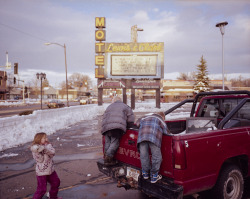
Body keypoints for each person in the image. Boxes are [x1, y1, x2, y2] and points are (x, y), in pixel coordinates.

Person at [101, 96, 135, 166]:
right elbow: (130, 119)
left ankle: (106, 159)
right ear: (121, 100)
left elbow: (104, 117)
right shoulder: (125, 107)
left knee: (108, 142)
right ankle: (108, 158)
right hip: (116, 127)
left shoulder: (109, 106)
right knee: (114, 143)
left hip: (106, 127)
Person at [136, 112, 169, 183]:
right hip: (153, 138)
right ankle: (154, 176)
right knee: (156, 156)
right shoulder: (160, 120)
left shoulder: (145, 117)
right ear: (162, 117)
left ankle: (145, 173)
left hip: (142, 137)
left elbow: (137, 123)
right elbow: (166, 133)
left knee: (144, 156)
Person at [30, 132, 62, 199]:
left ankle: (52, 196)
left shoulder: (48, 145)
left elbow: (52, 153)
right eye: (44, 138)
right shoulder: (35, 149)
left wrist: (45, 149)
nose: (46, 139)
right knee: (42, 189)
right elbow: (40, 160)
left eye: (46, 137)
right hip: (42, 172)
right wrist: (37, 151)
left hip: (51, 170)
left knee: (56, 183)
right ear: (39, 139)